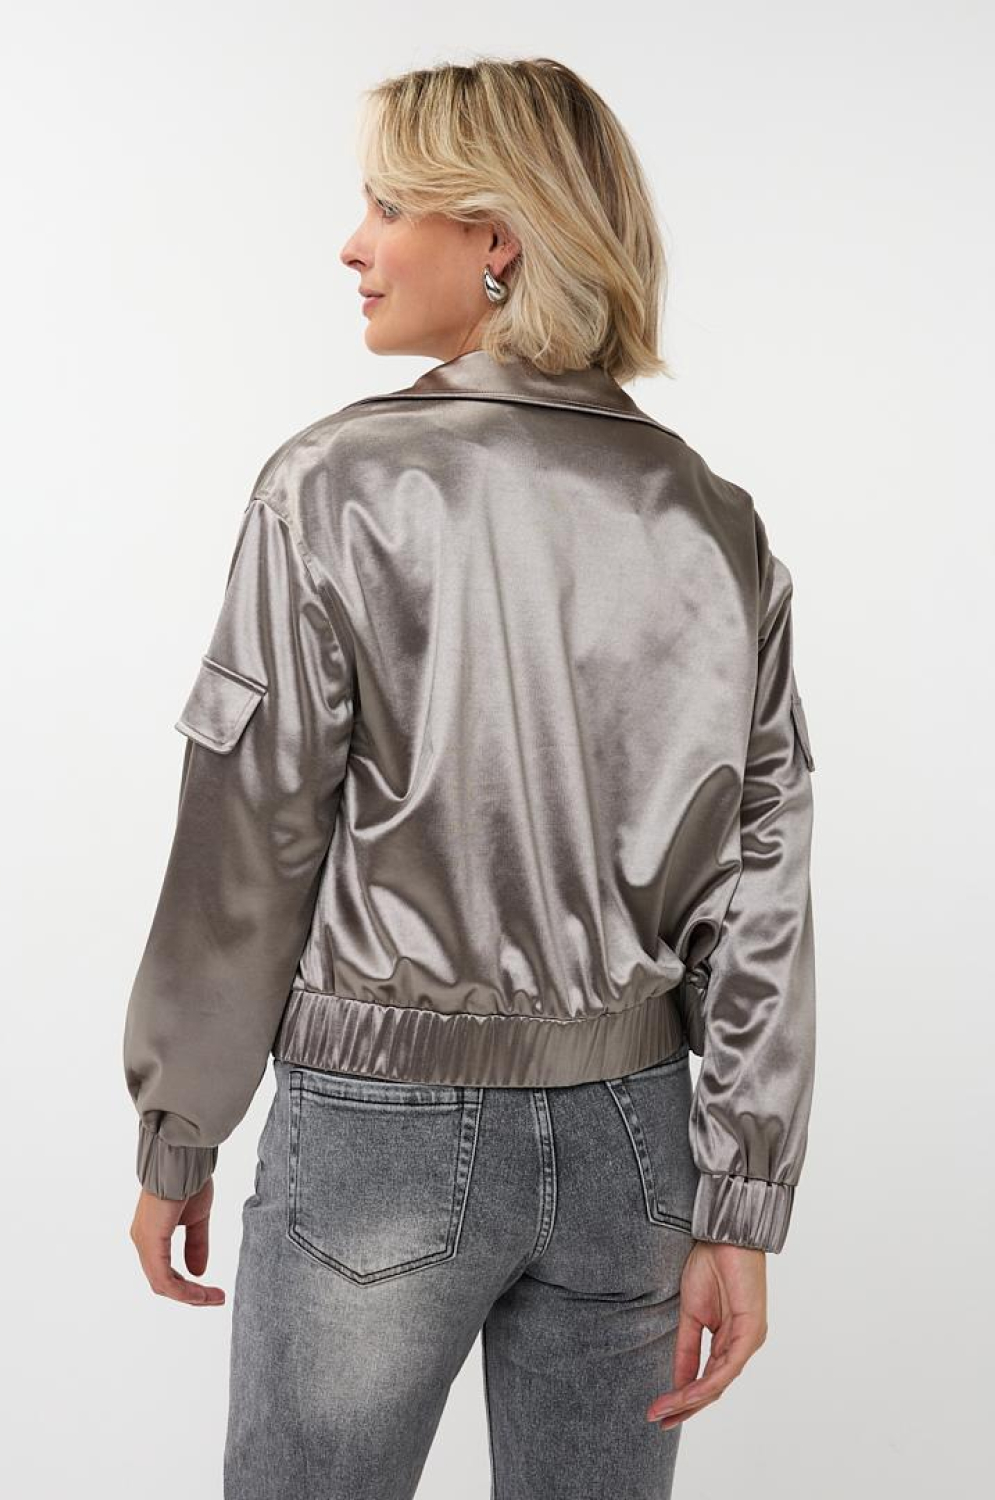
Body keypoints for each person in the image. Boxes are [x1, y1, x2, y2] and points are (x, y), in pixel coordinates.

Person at [123, 56, 817, 1500]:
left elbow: (250, 840)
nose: (353, 243)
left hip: (380, 1131)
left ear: (497, 236)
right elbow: (759, 886)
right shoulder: (717, 523)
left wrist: (180, 1128)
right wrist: (739, 1202)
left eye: (389, 205)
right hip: (638, 1139)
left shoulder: (331, 486)